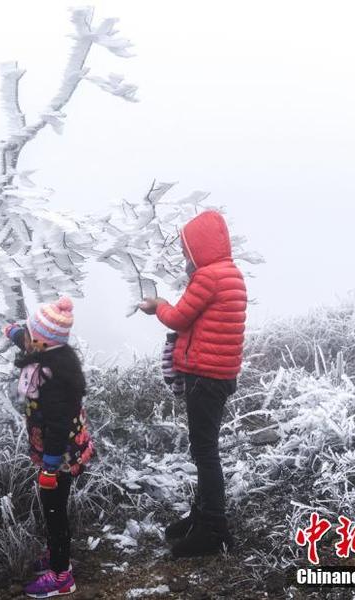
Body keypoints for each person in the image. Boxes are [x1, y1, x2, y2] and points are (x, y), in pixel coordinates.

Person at [138, 210, 247, 558]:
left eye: (187, 251)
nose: (186, 257)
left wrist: (158, 305)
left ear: (200, 248)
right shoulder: (232, 274)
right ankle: (202, 517)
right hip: (220, 375)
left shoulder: (208, 278)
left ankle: (212, 530)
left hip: (205, 375)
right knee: (205, 448)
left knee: (204, 451)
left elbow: (178, 316)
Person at [4, 297, 94, 598]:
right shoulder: (52, 353)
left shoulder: (54, 378)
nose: (24, 338)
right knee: (51, 507)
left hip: (60, 454)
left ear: (40, 342)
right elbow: (28, 340)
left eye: (28, 334)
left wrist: (50, 466)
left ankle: (61, 574)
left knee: (54, 511)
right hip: (57, 451)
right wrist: (13, 332)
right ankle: (57, 556)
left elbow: (57, 426)